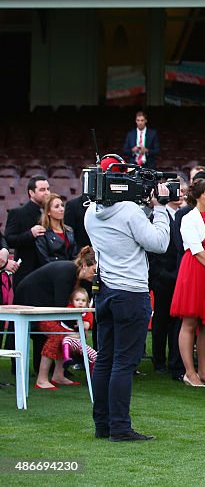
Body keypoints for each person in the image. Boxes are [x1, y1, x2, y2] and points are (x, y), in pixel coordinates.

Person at [85, 156, 171, 441]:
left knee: (106, 359)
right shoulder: (129, 212)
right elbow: (159, 243)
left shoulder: (90, 212)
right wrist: (159, 210)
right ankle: (120, 427)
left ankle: (103, 425)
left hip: (106, 291)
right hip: (131, 291)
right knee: (123, 363)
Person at [169, 179, 205, 387]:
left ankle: (204, 371)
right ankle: (189, 372)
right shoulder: (188, 218)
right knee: (190, 321)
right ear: (197, 196)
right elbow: (194, 247)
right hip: (196, 269)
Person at [17, 246, 98, 389]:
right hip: (32, 303)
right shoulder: (67, 273)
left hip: (45, 306)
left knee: (66, 335)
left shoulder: (78, 278)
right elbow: (60, 307)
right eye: (94, 271)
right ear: (85, 265)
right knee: (58, 335)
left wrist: (82, 324)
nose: (95, 275)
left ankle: (58, 375)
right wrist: (76, 326)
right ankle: (42, 379)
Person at [149, 181, 186, 376]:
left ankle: (175, 359)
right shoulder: (156, 215)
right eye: (175, 191)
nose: (179, 195)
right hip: (163, 277)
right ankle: (158, 360)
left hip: (179, 275)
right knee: (162, 319)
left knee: (177, 320)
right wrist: (163, 274)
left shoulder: (184, 215)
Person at [36, 285, 98, 389]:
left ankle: (59, 375)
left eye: (83, 300)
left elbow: (87, 325)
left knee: (90, 354)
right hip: (68, 336)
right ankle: (48, 377)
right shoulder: (69, 309)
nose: (80, 303)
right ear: (71, 301)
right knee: (61, 341)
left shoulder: (87, 313)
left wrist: (84, 325)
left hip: (77, 341)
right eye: (77, 300)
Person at [5, 175, 50, 288]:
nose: (46, 193)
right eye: (42, 190)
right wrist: (30, 234)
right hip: (26, 272)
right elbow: (9, 240)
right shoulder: (17, 213)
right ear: (31, 192)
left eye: (48, 189)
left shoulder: (53, 213)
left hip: (48, 270)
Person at [35, 194, 79, 264]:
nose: (61, 209)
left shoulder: (69, 231)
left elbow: (75, 256)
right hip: (53, 271)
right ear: (48, 212)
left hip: (70, 270)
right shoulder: (42, 233)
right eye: (57, 207)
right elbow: (44, 259)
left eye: (62, 205)